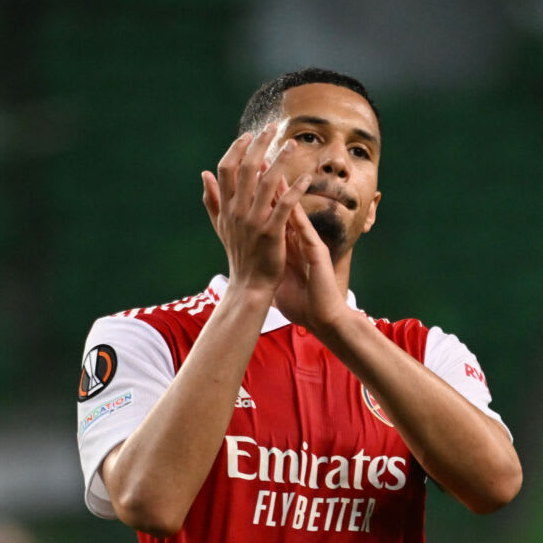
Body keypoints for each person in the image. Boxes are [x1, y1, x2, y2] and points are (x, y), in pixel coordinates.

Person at [75, 68, 521, 542]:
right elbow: (150, 502)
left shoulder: (427, 353)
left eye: (360, 151)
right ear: (247, 171)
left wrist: (335, 324)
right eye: (309, 137)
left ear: (371, 208)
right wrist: (250, 290)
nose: (337, 162)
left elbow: (495, 485)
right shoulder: (144, 337)